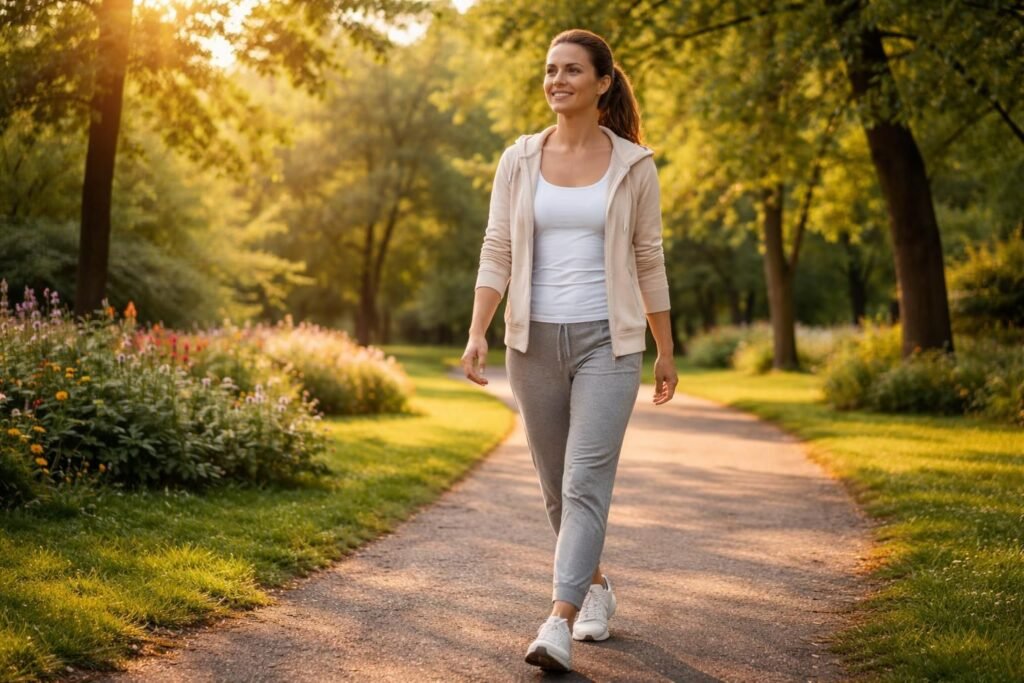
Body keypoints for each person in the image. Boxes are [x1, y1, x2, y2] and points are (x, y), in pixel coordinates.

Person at [461, 28, 678, 673]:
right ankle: (597, 588)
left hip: (609, 343)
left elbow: (649, 258)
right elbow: (496, 247)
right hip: (532, 341)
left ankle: (556, 621)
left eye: (572, 71)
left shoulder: (634, 164)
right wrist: (478, 330)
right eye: (550, 70)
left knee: (586, 480)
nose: (557, 80)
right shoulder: (519, 159)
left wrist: (663, 349)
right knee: (558, 488)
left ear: (603, 83)